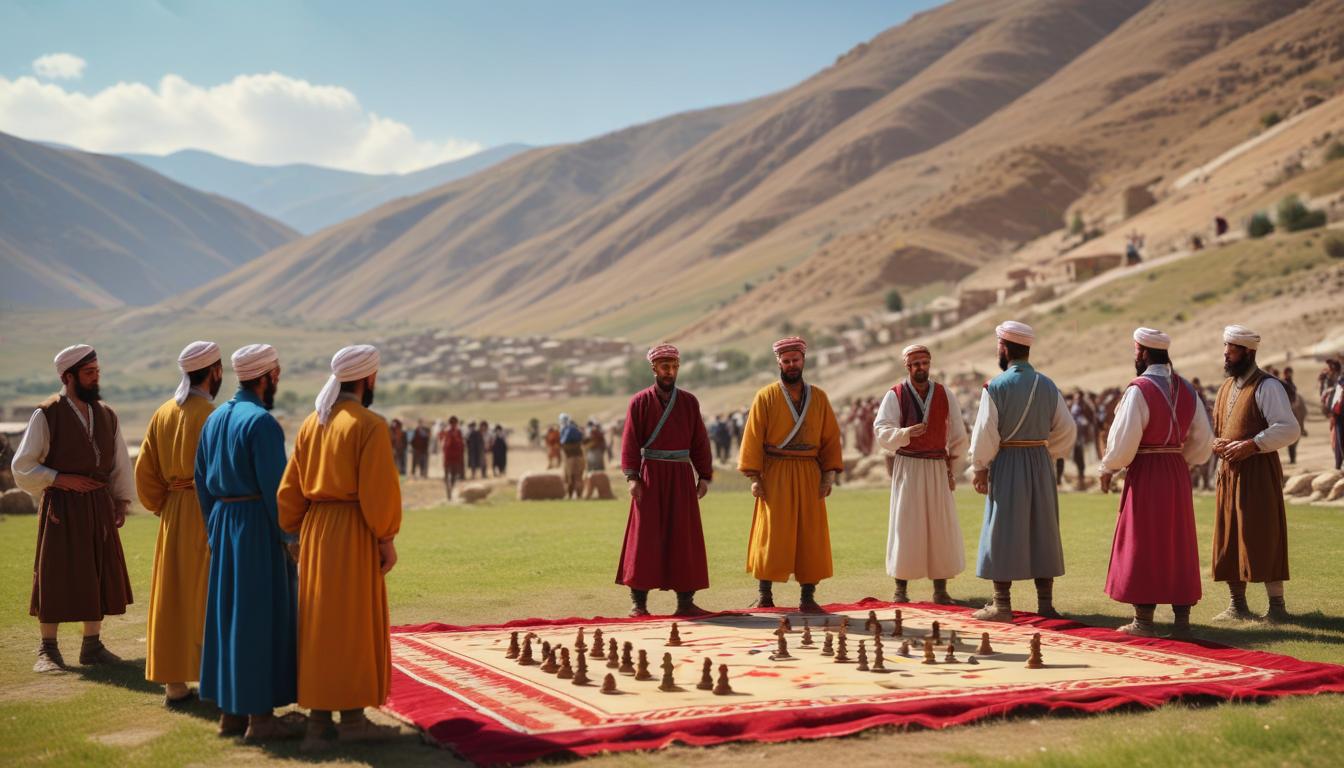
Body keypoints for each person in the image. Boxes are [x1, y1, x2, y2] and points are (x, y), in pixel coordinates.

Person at [278, 346, 402, 749]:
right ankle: (351, 722)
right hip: (352, 532)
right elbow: (378, 494)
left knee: (318, 627)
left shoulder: (314, 423)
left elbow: (289, 493)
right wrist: (386, 537)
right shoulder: (368, 425)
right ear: (368, 379)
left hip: (315, 532)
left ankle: (318, 723)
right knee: (350, 626)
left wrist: (298, 535)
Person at [195, 344, 302, 740]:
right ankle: (261, 719)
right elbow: (278, 490)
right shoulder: (262, 423)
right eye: (277, 373)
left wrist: (213, 529)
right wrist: (290, 536)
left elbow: (202, 483)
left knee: (229, 617)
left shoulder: (215, 418)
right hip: (256, 524)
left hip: (223, 523)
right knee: (257, 618)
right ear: (268, 376)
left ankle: (232, 715)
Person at [12, 345, 134, 673]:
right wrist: (60, 478)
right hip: (61, 507)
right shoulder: (47, 413)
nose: (96, 378)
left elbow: (119, 461)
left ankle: (92, 646)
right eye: (88, 373)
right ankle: (48, 650)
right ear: (68, 377)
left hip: (98, 505)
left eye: (97, 372)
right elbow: (22, 466)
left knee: (94, 571)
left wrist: (120, 499)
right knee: (56, 573)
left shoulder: (106, 414)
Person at [1098, 329, 1212, 637]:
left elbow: (1123, 440)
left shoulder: (1139, 389)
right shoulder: (1188, 390)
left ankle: (1143, 622)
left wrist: (1108, 467)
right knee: (1178, 538)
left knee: (1144, 539)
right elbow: (1203, 440)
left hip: (1147, 469)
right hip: (1176, 469)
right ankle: (1182, 621)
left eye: (1136, 351)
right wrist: (1181, 459)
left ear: (1143, 353)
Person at [968, 321, 1076, 621]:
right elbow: (1067, 429)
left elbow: (985, 434)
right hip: (1039, 461)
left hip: (1008, 460)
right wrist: (1046, 452)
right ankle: (1046, 604)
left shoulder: (996, 386)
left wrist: (979, 467)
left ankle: (1001, 604)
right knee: (1043, 528)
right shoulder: (1048, 385)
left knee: (1002, 529)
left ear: (1003, 347)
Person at [136, 341, 221, 705]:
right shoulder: (213, 414)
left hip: (173, 513)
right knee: (206, 594)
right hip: (208, 511)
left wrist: (165, 506)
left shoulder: (162, 413)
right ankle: (213, 680)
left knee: (172, 597)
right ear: (215, 372)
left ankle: (174, 684)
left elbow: (144, 474)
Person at [738, 337, 843, 612]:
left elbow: (830, 437)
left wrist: (828, 474)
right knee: (773, 531)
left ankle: (808, 597)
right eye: (786, 361)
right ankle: (765, 595)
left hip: (810, 471)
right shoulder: (765, 396)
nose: (792, 365)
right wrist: (754, 478)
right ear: (779, 363)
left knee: (811, 532)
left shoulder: (819, 397)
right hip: (776, 471)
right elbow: (753, 437)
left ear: (803, 360)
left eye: (795, 360)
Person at [1211, 326, 1301, 622]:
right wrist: (1217, 444)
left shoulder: (1268, 386)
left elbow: (1288, 428)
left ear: (1248, 353)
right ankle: (1238, 605)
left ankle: (1277, 608)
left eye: (1232, 348)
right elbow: (1220, 429)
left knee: (1264, 535)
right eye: (1225, 346)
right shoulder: (1225, 388)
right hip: (1229, 474)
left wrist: (1252, 445)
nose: (1225, 353)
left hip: (1258, 473)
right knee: (1230, 538)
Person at [617, 344, 714, 617]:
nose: (669, 371)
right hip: (650, 476)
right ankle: (639, 603)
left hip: (681, 476)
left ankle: (685, 601)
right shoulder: (639, 402)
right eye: (664, 367)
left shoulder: (689, 402)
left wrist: (704, 475)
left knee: (683, 535)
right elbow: (630, 441)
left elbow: (699, 441)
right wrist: (632, 477)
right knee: (645, 536)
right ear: (654, 369)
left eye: (673, 367)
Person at [873, 344, 967, 605]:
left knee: (940, 525)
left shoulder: (945, 394)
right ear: (908, 367)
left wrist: (954, 470)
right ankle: (900, 589)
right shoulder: (895, 394)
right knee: (906, 524)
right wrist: (904, 434)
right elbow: (881, 430)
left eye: (924, 363)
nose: (921, 368)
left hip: (937, 466)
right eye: (915, 365)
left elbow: (958, 435)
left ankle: (940, 589)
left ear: (929, 364)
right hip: (909, 465)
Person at [1069, 391, 1094, 490]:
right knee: (1076, 457)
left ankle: (1081, 477)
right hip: (1073, 436)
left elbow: (1089, 420)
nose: (1076, 399)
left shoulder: (1083, 408)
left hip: (1080, 438)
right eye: (1076, 398)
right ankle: (1080, 476)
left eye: (1078, 398)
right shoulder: (1073, 406)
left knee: (1079, 457)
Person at [558, 414, 585, 498]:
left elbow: (563, 442)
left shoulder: (566, 430)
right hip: (580, 458)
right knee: (578, 477)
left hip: (570, 459)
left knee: (571, 479)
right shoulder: (575, 430)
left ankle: (572, 496)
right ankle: (578, 496)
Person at [440, 416, 465, 498]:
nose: (454, 424)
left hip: (456, 456)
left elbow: (461, 443)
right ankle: (448, 491)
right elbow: (443, 443)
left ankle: (451, 488)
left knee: (454, 475)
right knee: (447, 474)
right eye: (452, 423)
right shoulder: (447, 432)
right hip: (448, 456)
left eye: (455, 423)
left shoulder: (458, 432)